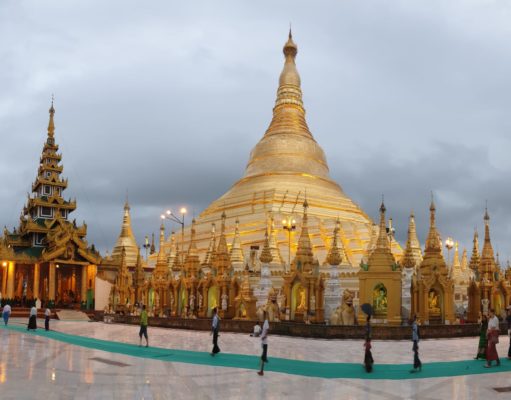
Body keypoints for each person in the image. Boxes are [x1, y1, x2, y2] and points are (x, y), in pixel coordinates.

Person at [258, 311, 270, 376]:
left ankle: (261, 371)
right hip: (263, 342)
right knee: (263, 357)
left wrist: (264, 336)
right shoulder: (265, 322)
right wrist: (261, 333)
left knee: (263, 357)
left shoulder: (266, 321)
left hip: (265, 342)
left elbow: (267, 330)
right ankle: (261, 371)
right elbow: (265, 330)